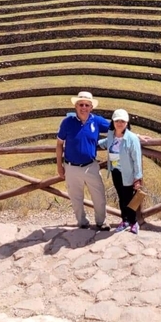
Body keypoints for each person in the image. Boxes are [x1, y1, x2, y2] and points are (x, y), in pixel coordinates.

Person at [56, 91, 110, 231]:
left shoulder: (97, 121)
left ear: (91, 107)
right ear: (76, 106)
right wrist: (59, 166)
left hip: (91, 166)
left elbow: (117, 127)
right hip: (71, 167)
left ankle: (101, 222)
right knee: (76, 198)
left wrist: (136, 136)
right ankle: (82, 222)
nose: (84, 107)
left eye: (87, 105)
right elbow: (59, 144)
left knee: (99, 196)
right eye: (81, 104)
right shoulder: (67, 122)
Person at [101, 109, 144, 235]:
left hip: (128, 173)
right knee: (121, 198)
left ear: (127, 123)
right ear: (113, 122)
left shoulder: (131, 138)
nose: (120, 123)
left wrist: (138, 177)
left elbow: (137, 159)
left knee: (130, 198)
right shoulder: (111, 135)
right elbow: (106, 143)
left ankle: (134, 221)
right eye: (117, 121)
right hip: (115, 172)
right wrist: (93, 143)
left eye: (122, 121)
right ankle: (125, 220)